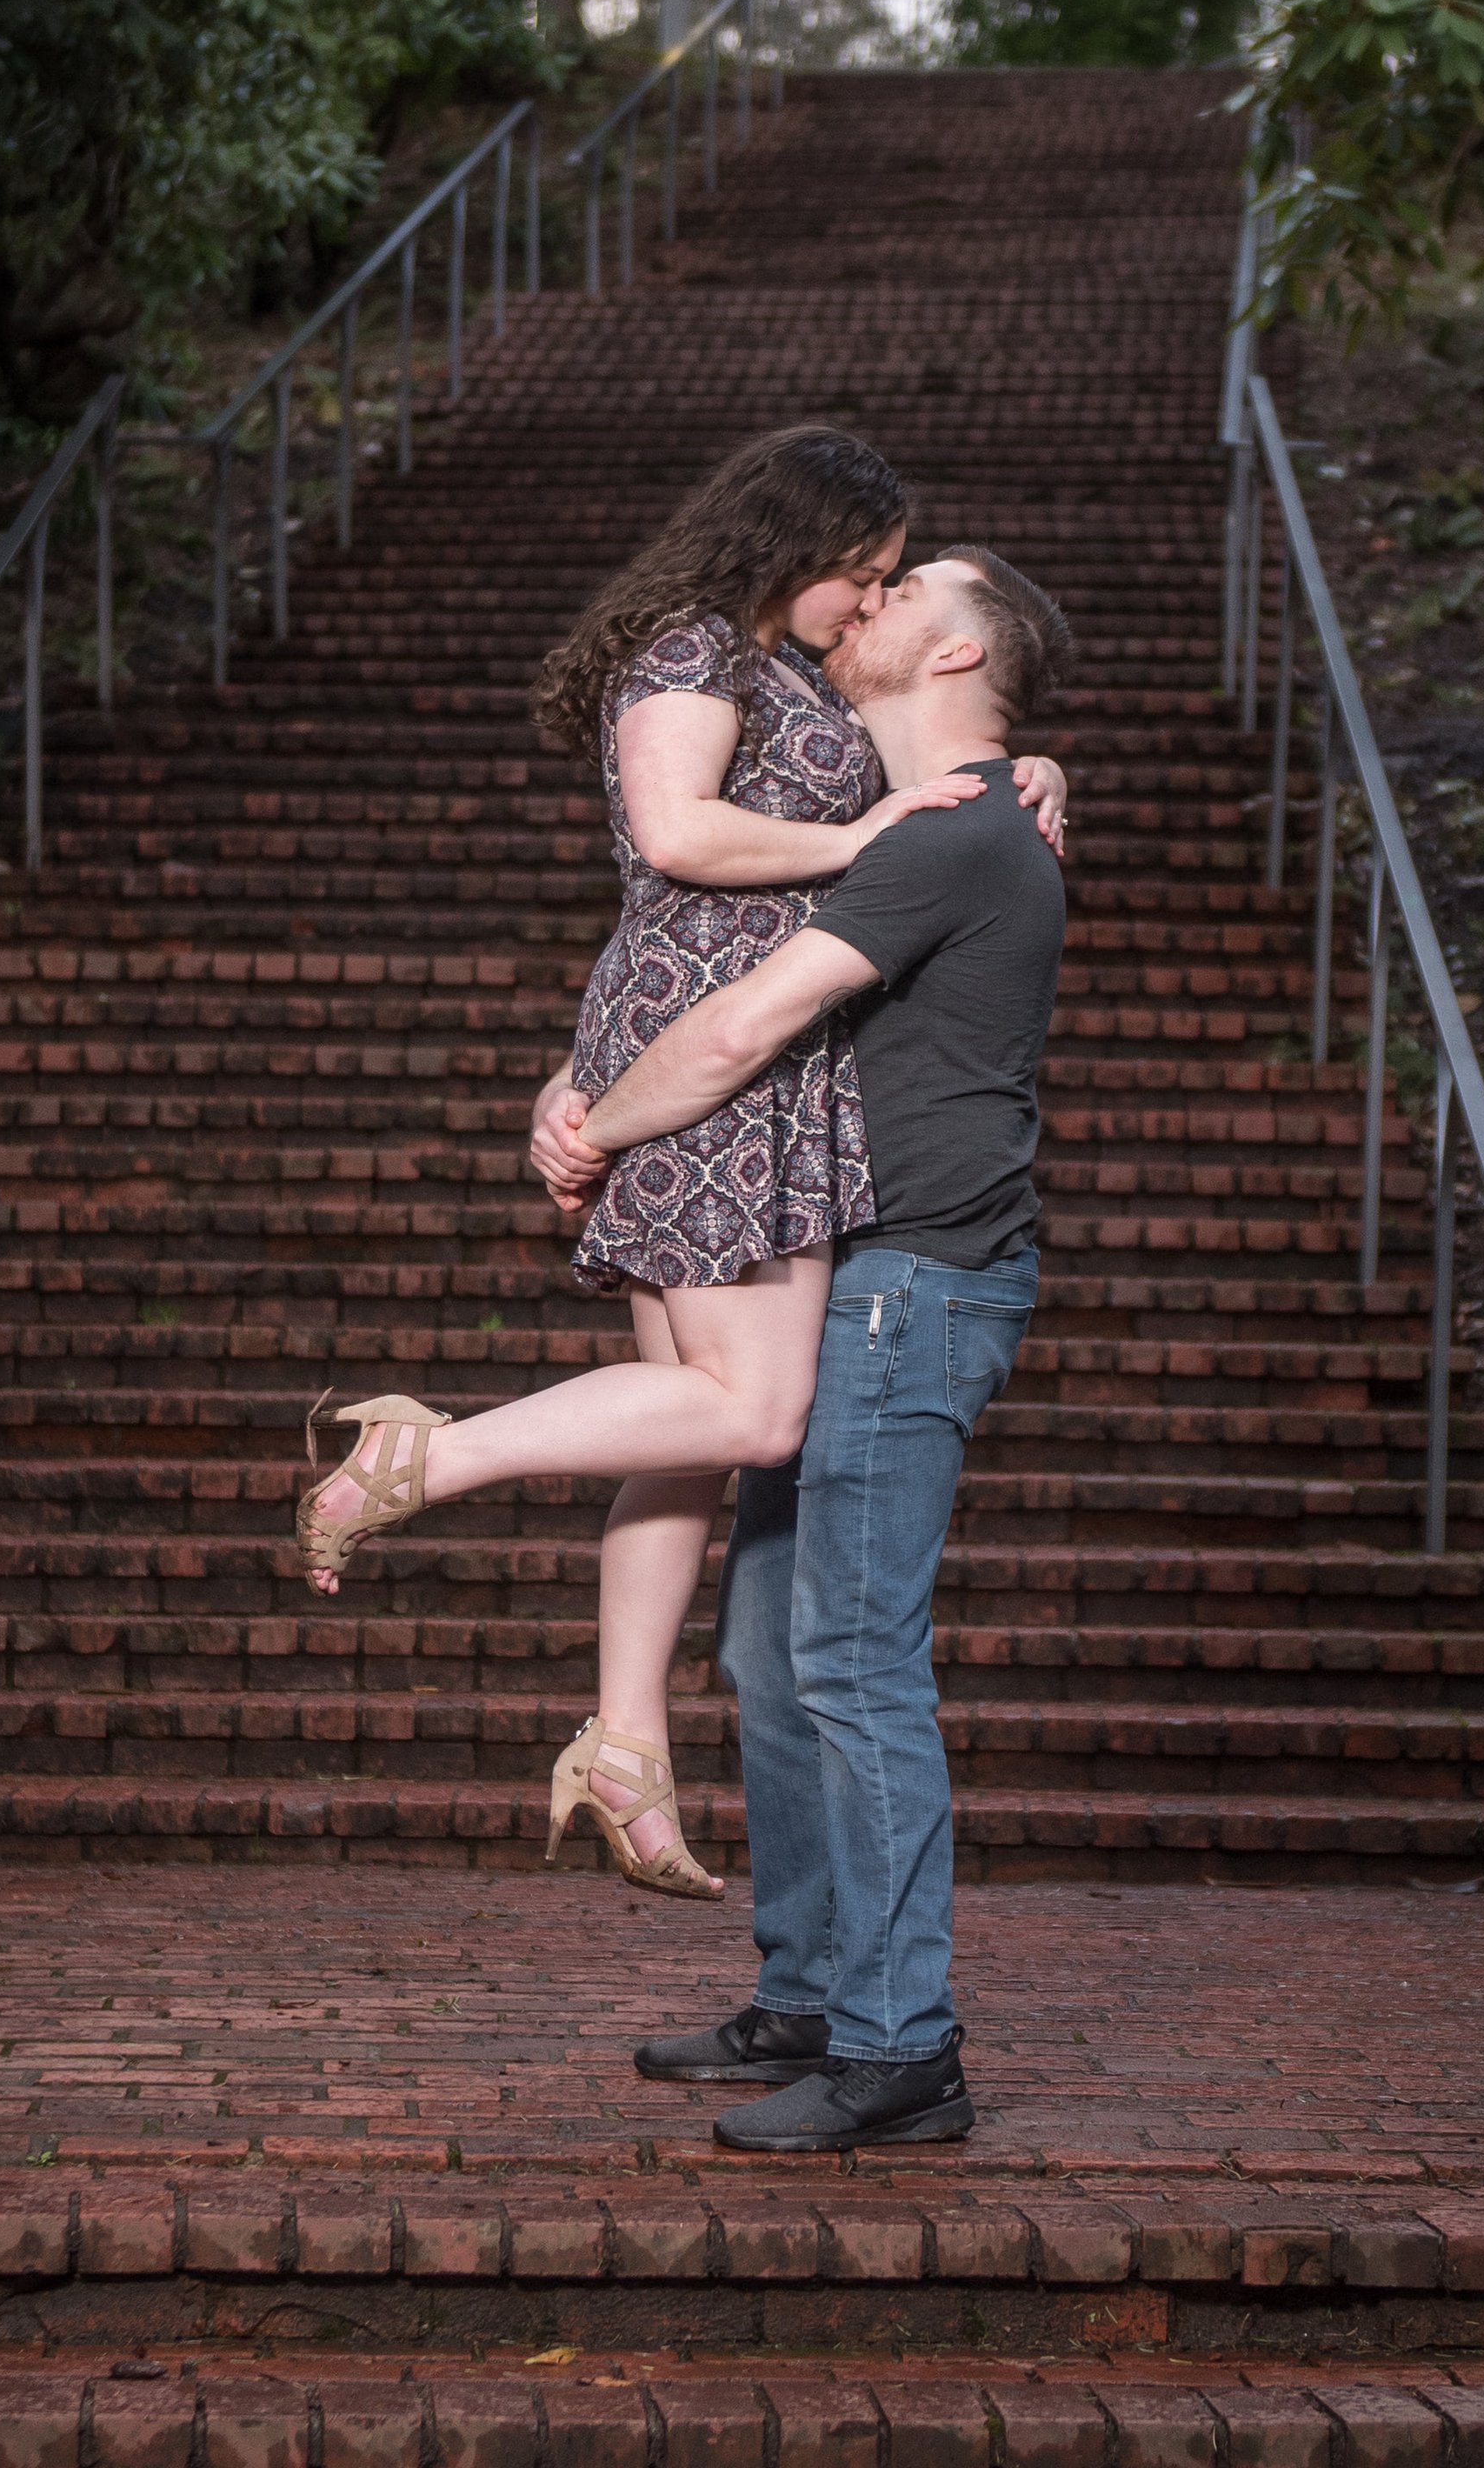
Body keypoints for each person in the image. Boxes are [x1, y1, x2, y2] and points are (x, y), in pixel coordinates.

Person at [292, 429, 1065, 1906]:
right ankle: (425, 1453)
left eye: (897, 584)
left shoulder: (789, 663)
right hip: (726, 1040)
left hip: (755, 1040)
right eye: (867, 572)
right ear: (802, 545)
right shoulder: (691, 646)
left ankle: (627, 1740)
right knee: (754, 1408)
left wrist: (1023, 756)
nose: (873, 599)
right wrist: (864, 832)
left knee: (686, 1439)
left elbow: (943, 726)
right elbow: (672, 830)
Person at [531, 545, 1070, 2151]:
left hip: (916, 1288)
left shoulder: (957, 834)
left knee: (848, 1658)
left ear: (964, 655)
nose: (873, 603)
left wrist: (588, 1136)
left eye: (915, 595)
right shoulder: (943, 823)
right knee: (771, 1654)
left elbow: (740, 1028)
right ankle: (816, 1994)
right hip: (844, 1279)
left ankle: (904, 2049)